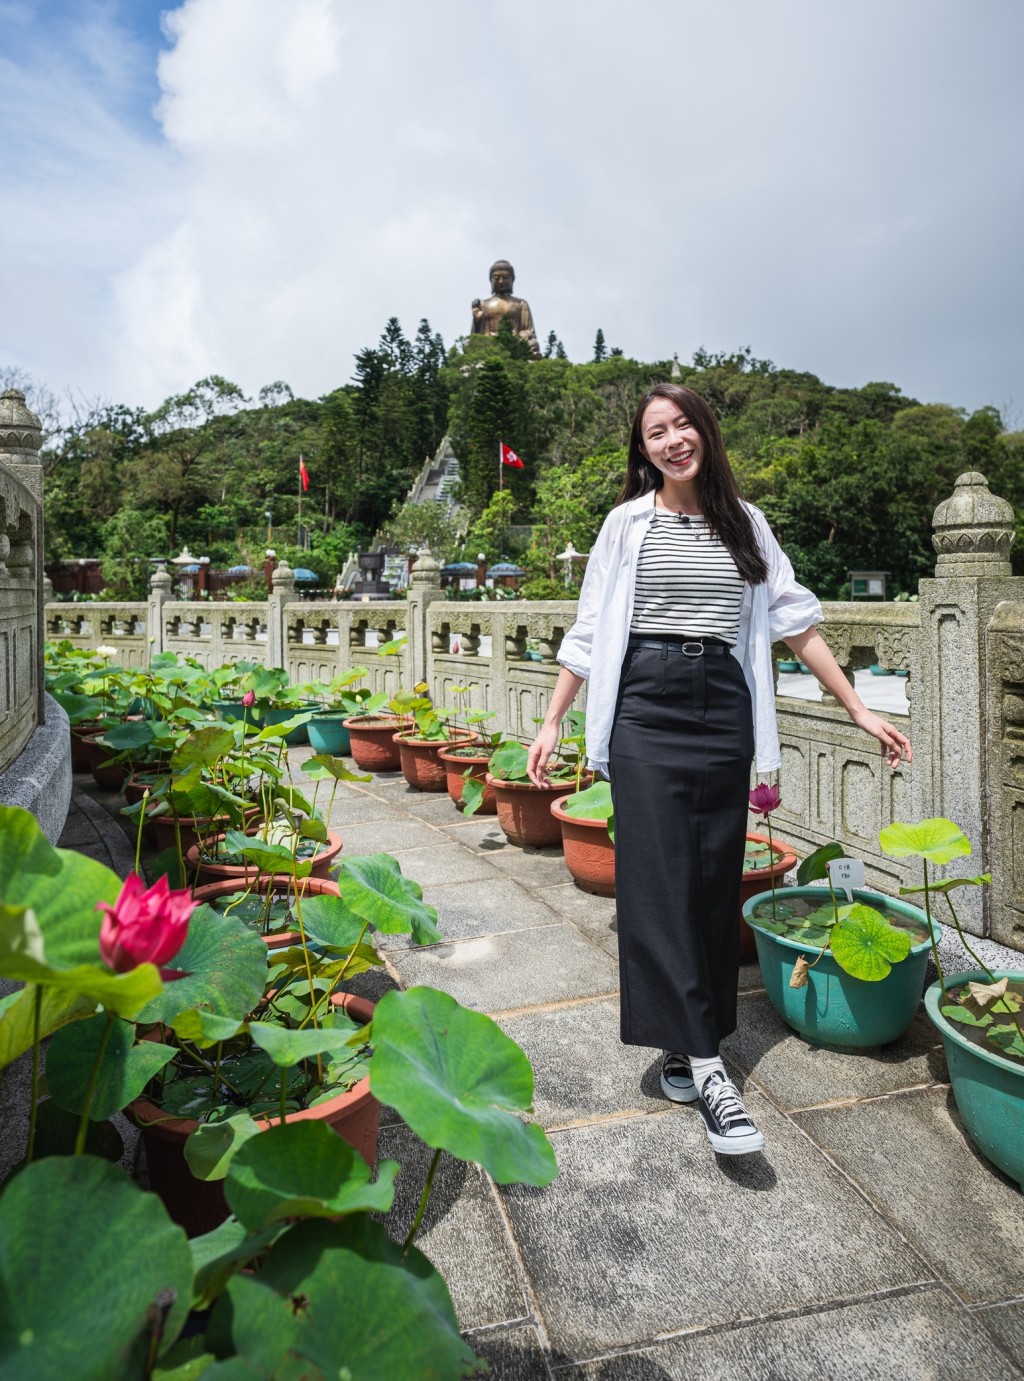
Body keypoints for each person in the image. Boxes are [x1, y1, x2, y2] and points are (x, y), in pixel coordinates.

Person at [527, 384, 911, 1157]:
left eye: (682, 425)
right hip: (644, 703)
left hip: (722, 704)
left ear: (705, 431)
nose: (672, 441)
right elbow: (591, 626)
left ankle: (679, 1045)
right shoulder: (626, 525)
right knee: (659, 877)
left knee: (708, 878)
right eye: (655, 433)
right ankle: (710, 1069)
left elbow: (796, 624)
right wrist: (554, 714)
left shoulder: (747, 523)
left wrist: (858, 708)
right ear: (644, 452)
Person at [471, 260, 541, 357]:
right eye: (496, 278)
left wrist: (522, 336)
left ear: (512, 280)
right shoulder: (483, 304)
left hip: (513, 342)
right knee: (469, 344)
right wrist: (477, 320)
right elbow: (475, 336)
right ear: (490, 280)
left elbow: (528, 331)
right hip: (489, 343)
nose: (501, 281)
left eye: (505, 278)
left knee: (532, 343)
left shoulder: (521, 304)